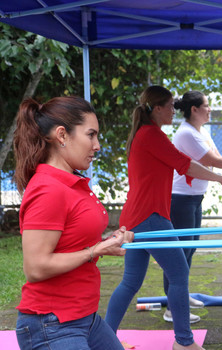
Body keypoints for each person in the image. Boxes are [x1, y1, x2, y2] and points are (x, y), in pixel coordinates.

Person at [104, 86, 222, 350]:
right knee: (178, 274)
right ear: (157, 109)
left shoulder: (146, 134)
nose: (174, 112)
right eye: (170, 107)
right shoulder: (151, 135)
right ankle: (184, 342)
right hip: (149, 216)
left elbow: (182, 162)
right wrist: (220, 178)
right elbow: (184, 163)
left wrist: (217, 176)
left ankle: (104, 338)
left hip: (137, 216)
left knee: (131, 281)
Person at [13, 96, 134, 350]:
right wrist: (94, 251)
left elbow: (72, 239)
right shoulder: (48, 189)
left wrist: (107, 241)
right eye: (91, 135)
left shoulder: (71, 181)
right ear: (62, 135)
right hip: (51, 324)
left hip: (84, 318)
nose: (97, 145)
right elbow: (35, 267)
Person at [162, 90, 222, 324]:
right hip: (181, 198)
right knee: (179, 253)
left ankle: (180, 295)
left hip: (195, 197)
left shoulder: (200, 131)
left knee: (190, 249)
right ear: (194, 109)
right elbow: (212, 162)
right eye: (206, 105)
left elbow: (215, 155)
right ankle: (171, 308)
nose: (210, 109)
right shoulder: (186, 133)